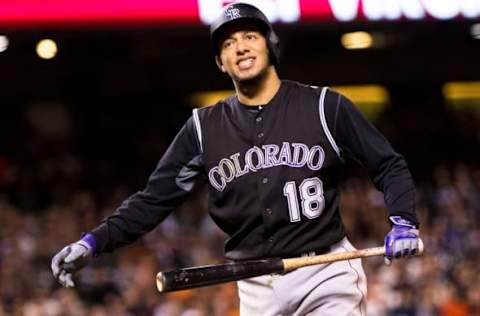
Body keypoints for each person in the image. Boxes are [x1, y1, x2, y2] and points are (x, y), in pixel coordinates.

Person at [51, 3, 420, 315]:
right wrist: (93, 242)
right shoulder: (202, 127)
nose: (240, 47)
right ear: (220, 63)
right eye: (229, 43)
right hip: (254, 282)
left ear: (270, 46)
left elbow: (388, 164)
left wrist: (403, 220)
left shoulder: (324, 106)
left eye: (249, 37)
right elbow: (153, 199)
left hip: (324, 269)